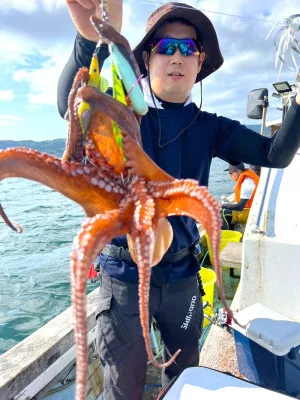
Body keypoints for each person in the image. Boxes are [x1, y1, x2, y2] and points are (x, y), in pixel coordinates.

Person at [58, 2, 300, 399]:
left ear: (200, 63)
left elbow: (276, 155)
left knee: (188, 371)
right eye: (167, 46)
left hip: (183, 274)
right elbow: (76, 108)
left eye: (189, 50)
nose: (177, 57)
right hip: (123, 275)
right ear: (148, 57)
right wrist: (90, 41)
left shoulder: (212, 128)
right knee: (123, 385)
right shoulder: (124, 117)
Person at [221, 162, 260, 230]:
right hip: (250, 208)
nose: (229, 176)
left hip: (251, 213)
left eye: (230, 173)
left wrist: (222, 205)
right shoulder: (247, 179)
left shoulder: (247, 183)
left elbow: (240, 207)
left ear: (238, 171)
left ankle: (230, 233)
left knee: (222, 212)